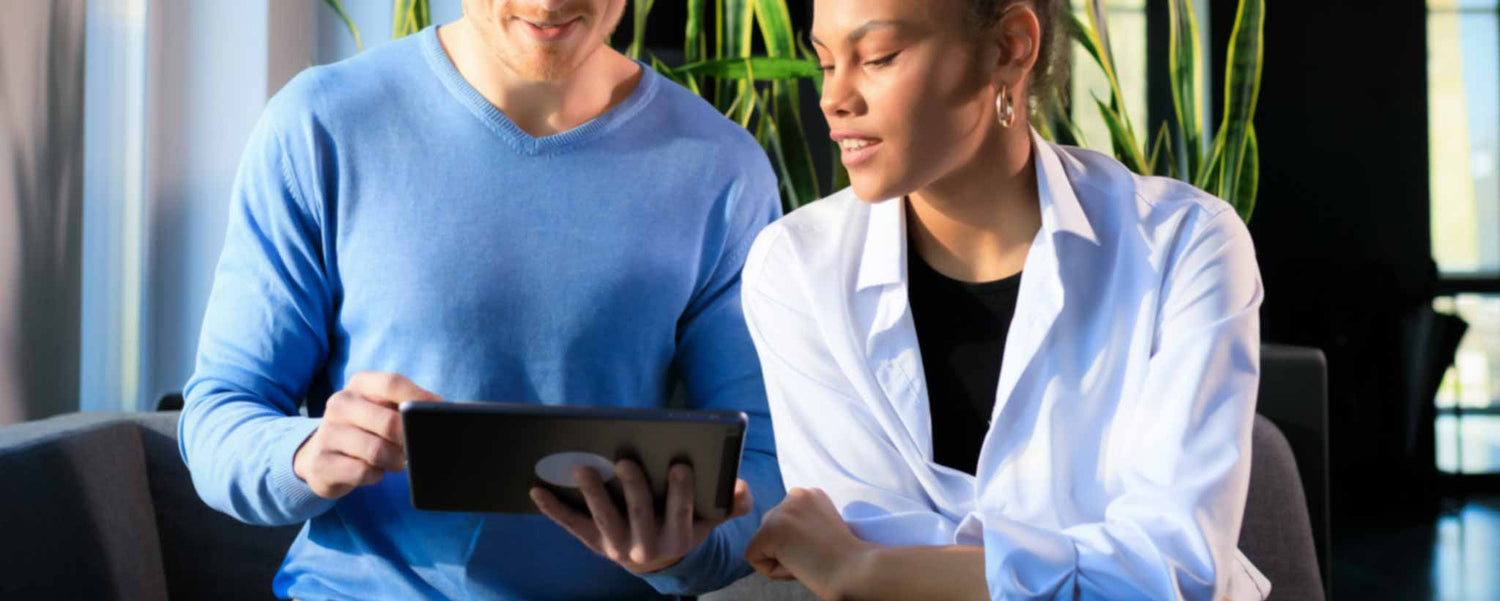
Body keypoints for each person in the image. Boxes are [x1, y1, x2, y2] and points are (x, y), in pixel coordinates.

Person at [178, 1, 785, 599]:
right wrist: (307, 454)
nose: (548, 3)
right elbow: (220, 417)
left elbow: (766, 454)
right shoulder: (321, 124)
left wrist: (685, 550)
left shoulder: (722, 168)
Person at [739, 0, 1271, 599]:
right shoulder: (797, 269)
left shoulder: (1184, 245)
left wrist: (864, 570)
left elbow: (1172, 572)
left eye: (879, 58)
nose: (833, 98)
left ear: (1010, 47)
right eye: (826, 62)